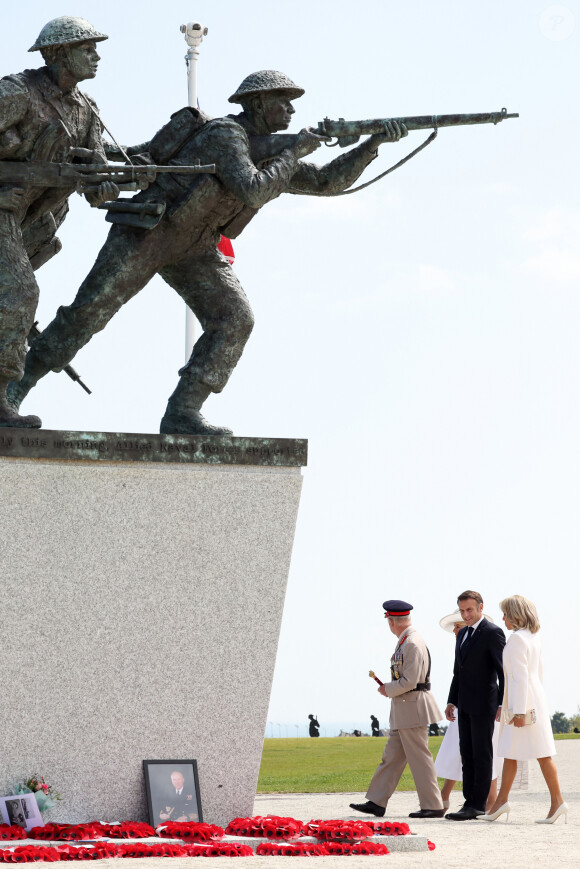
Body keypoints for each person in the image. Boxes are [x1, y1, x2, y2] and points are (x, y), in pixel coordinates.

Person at [9, 70, 408, 435]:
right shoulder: (226, 134)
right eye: (282, 101)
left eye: (291, 102)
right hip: (151, 230)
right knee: (88, 313)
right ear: (256, 104)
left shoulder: (268, 150)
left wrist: (372, 144)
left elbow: (324, 182)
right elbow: (252, 187)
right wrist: (291, 153)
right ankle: (15, 390)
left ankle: (183, 411)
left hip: (196, 245)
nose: (290, 109)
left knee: (234, 319)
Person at [0, 16, 118, 428]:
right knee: (18, 293)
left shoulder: (86, 111)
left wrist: (106, 183)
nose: (96, 56)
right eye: (86, 48)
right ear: (55, 53)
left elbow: (97, 181)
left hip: (30, 220)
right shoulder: (17, 92)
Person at [350, 600, 445, 819]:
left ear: (392, 622)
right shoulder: (408, 641)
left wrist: (388, 688)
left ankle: (433, 805)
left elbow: (410, 680)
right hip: (406, 709)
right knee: (392, 757)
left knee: (420, 758)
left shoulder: (411, 643)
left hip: (411, 707)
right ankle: (376, 801)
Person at [480, 595, 567, 824]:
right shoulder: (533, 637)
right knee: (513, 750)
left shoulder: (517, 639)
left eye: (506, 614)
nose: (503, 619)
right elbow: (536, 675)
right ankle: (502, 801)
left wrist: (519, 711)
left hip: (521, 703)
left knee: (539, 752)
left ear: (515, 615)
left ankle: (557, 802)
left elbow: (519, 679)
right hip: (532, 699)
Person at [444, 590, 505, 820]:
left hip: (485, 704)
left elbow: (502, 672)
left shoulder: (493, 632)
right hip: (464, 705)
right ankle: (469, 802)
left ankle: (478, 804)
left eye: (469, 609)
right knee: (466, 753)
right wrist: (451, 700)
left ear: (480, 607)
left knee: (482, 754)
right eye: (462, 610)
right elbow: (457, 672)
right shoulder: (462, 635)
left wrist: (501, 703)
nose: (465, 614)